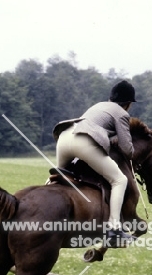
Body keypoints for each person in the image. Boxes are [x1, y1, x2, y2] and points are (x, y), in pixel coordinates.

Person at [52, 80, 136, 248]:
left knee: (58, 176)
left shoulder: (99, 106)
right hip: (83, 142)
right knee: (119, 180)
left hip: (64, 138)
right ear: (128, 104)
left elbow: (99, 129)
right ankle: (114, 229)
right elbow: (127, 149)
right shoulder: (122, 113)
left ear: (111, 98)